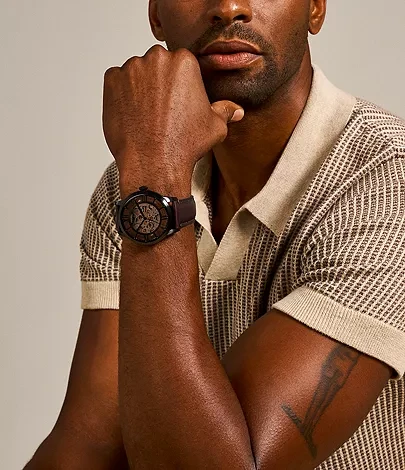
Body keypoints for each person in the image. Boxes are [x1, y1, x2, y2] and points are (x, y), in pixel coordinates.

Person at [24, 0, 405, 469]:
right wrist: (154, 174)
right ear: (156, 15)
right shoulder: (140, 179)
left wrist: (155, 181)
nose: (228, 8)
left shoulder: (388, 182)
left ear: (315, 9)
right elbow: (85, 446)